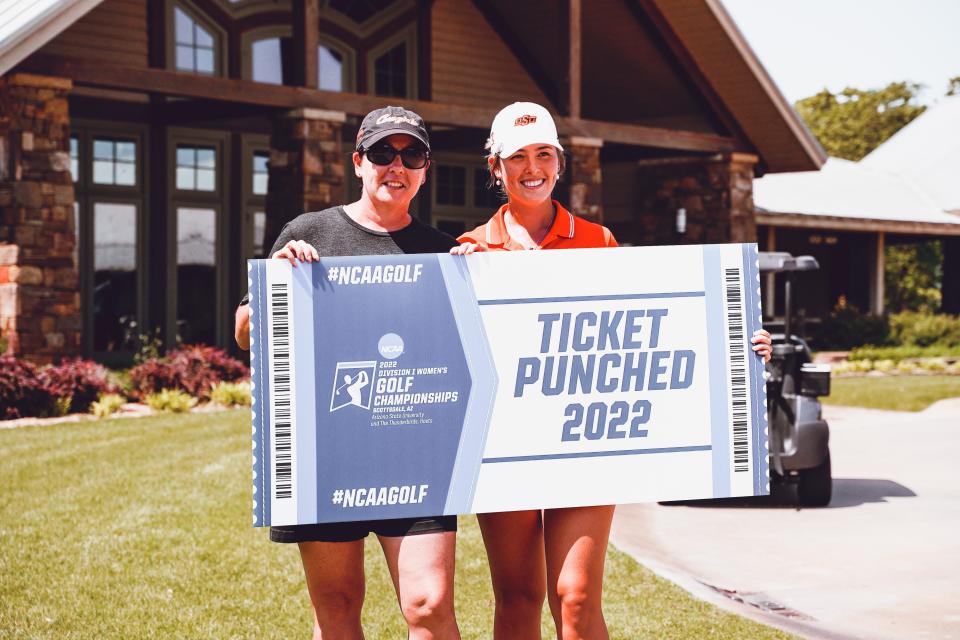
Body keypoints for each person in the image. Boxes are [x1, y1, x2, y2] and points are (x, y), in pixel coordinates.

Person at [453, 102, 772, 640]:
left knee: (576, 598)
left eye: (544, 155)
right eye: (519, 158)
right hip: (507, 445)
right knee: (518, 597)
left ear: (559, 162)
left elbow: (648, 331)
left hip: (585, 442)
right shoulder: (469, 251)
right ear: (495, 167)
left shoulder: (599, 242)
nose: (533, 168)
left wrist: (735, 342)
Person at [236, 106, 461, 640]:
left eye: (412, 155)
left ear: (425, 169)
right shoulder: (308, 232)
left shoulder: (444, 253)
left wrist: (477, 277)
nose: (396, 166)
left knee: (428, 605)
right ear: (359, 162)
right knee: (336, 607)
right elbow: (246, 333)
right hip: (328, 453)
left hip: (415, 454)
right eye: (383, 153)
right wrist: (275, 289)